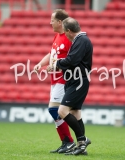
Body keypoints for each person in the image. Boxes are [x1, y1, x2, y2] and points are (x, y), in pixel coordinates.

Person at [34, 9, 87, 155]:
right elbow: (52, 53)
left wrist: (58, 67)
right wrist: (41, 64)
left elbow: (72, 59)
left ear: (59, 22)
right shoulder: (57, 36)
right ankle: (74, 142)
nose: (49, 23)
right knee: (73, 112)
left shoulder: (69, 38)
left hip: (64, 78)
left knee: (55, 110)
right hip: (55, 78)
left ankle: (69, 141)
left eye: (52, 20)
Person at [49, 17, 93, 156]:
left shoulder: (82, 40)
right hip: (75, 80)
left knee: (62, 111)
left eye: (65, 32)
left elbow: (72, 60)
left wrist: (57, 64)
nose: (65, 35)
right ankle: (82, 147)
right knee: (75, 113)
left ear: (69, 30)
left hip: (78, 80)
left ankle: (82, 139)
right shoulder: (81, 40)